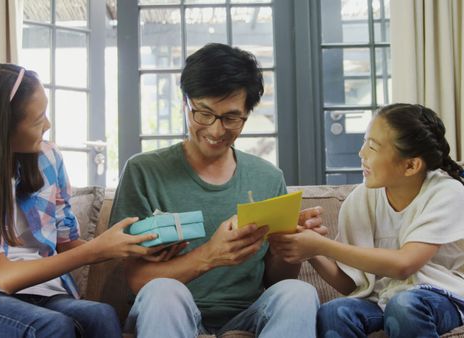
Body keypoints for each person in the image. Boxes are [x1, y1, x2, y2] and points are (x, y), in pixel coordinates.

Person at [0, 64, 163, 338]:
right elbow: (5, 277)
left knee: (101, 314)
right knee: (53, 326)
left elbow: (65, 242)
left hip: (44, 291)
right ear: (2, 128)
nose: (48, 126)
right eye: (39, 120)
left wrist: (131, 246)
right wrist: (97, 250)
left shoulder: (48, 159)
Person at [109, 43, 324, 338]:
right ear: (185, 104)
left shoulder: (268, 178)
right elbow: (135, 280)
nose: (214, 130)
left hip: (247, 314)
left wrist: (288, 249)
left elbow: (277, 281)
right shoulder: (144, 171)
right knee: (163, 291)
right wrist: (210, 255)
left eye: (231, 118)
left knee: (297, 292)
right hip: (169, 310)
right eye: (203, 113)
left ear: (247, 113)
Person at [269, 103, 464, 338]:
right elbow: (352, 285)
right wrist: (312, 250)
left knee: (405, 305)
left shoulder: (446, 193)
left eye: (373, 146)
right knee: (334, 311)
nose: (361, 153)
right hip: (385, 299)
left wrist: (323, 246)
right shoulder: (361, 199)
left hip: (448, 298)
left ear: (410, 165)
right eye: (365, 141)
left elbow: (404, 264)